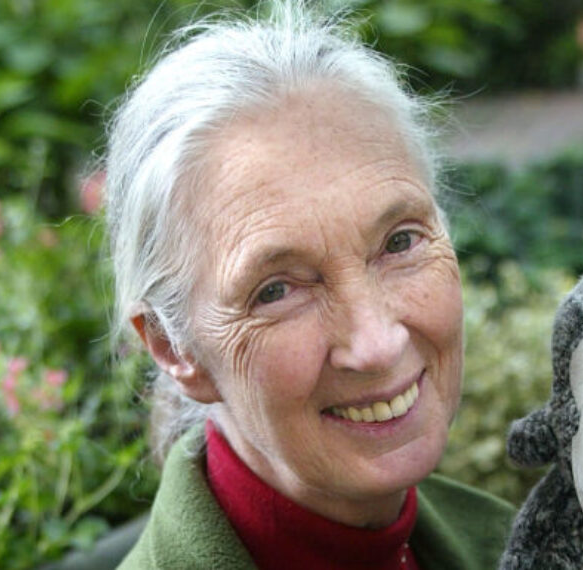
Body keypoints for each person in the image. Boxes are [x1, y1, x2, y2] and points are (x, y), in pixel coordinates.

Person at [101, 2, 515, 568]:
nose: (376, 344)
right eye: (277, 290)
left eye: (399, 243)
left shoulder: (514, 542)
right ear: (176, 348)